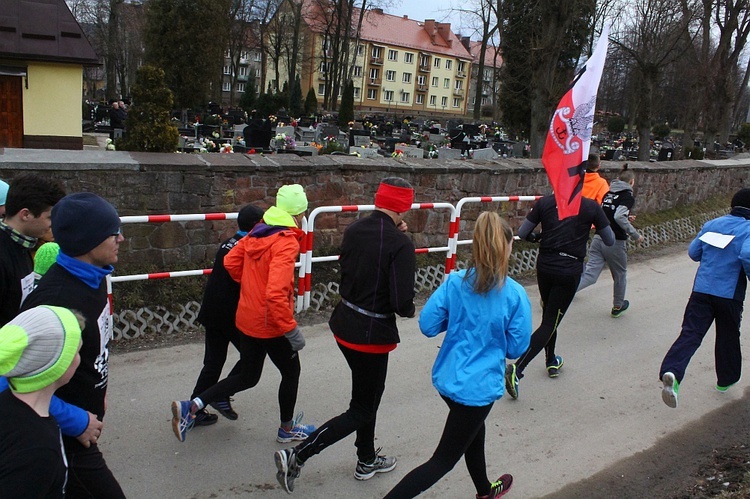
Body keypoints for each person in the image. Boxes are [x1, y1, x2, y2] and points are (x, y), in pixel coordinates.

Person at [274, 177, 417, 494]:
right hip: (372, 335)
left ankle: (366, 459)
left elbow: (352, 266)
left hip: (344, 322)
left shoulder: (354, 229)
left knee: (367, 398)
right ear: (405, 205)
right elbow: (401, 301)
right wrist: (409, 310)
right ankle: (297, 455)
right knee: (362, 408)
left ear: (378, 199)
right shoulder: (400, 244)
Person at [383, 212, 532, 499]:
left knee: (472, 432)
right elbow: (516, 348)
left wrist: (458, 321)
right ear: (507, 246)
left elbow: (428, 325)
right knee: (442, 461)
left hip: (448, 379)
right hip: (477, 389)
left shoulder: (455, 282)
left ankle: (484, 490)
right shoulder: (515, 295)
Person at [171, 185, 314, 443]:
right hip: (271, 322)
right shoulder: (285, 242)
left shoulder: (258, 232)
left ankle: (192, 405)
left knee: (248, 375)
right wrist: (290, 329)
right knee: (291, 372)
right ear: (298, 215)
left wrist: (251, 287)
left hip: (247, 318)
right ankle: (287, 429)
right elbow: (276, 293)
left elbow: (231, 262)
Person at [22, 192, 126, 498]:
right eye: (112, 232)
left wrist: (98, 392)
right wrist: (74, 418)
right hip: (58, 433)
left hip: (82, 424)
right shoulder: (54, 301)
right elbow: (7, 378)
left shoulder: (95, 277)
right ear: (87, 241)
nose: (120, 238)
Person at [505, 193, 614, 398]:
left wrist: (538, 237)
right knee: (550, 322)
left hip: (545, 264)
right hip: (569, 269)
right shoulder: (590, 206)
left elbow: (523, 232)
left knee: (550, 315)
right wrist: (594, 223)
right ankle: (517, 369)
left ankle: (551, 360)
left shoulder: (546, 202)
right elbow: (609, 239)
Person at [659, 188, 750, 408]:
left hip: (701, 290)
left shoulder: (712, 224)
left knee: (690, 334)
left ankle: (672, 371)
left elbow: (693, 253)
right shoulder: (748, 229)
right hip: (728, 294)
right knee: (728, 336)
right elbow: (747, 254)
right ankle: (725, 380)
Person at [188, 204, 264, 427]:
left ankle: (194, 409)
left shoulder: (229, 242)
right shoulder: (249, 246)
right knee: (253, 356)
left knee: (213, 363)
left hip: (212, 311)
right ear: (257, 225)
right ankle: (220, 394)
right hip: (231, 313)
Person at [0, 305, 84, 498]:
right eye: (76, 352)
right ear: (58, 366)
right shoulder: (37, 450)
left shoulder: (9, 406)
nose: (79, 359)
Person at [578, 165, 643, 317]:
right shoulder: (627, 197)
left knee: (590, 275)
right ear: (631, 182)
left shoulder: (608, 194)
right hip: (615, 241)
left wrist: (626, 217)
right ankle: (618, 306)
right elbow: (618, 216)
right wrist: (635, 235)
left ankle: (562, 295)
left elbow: (606, 212)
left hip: (599, 237)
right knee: (620, 274)